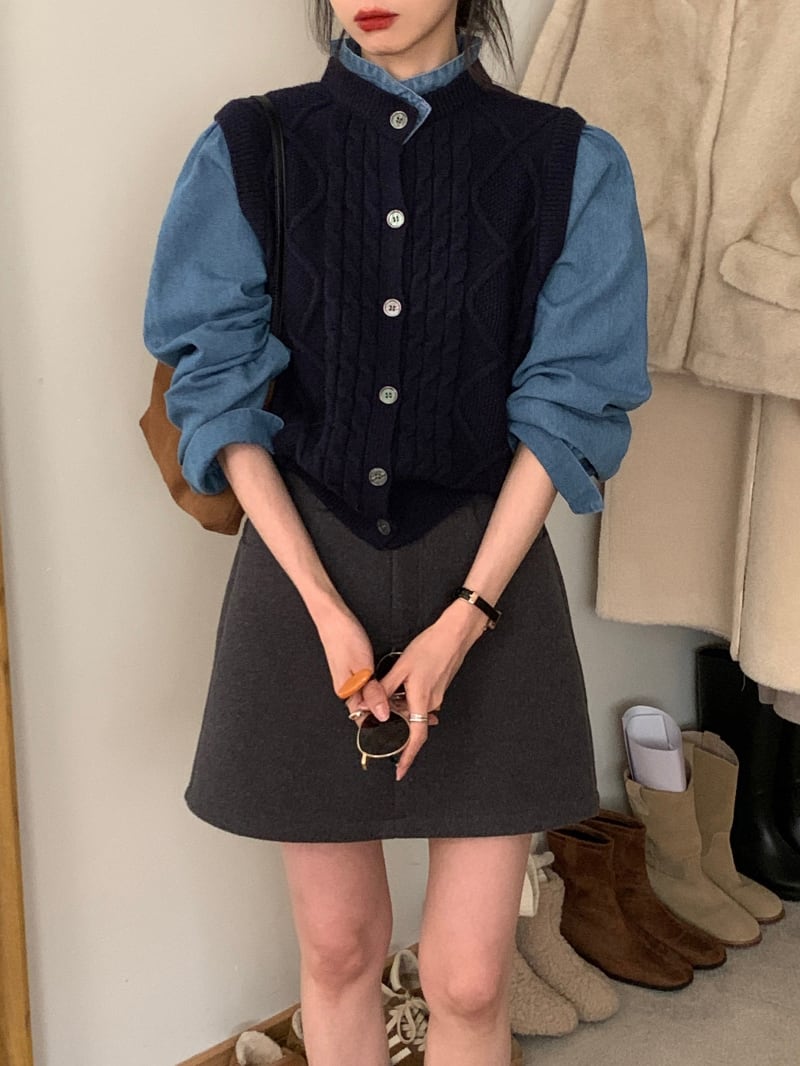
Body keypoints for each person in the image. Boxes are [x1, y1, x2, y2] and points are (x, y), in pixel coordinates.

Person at [143, 2, 651, 1064]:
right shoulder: (250, 145)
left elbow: (567, 403)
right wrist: (323, 607)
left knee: (469, 977)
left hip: (484, 570)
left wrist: (465, 615)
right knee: (337, 949)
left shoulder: (566, 162)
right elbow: (217, 388)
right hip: (301, 564)